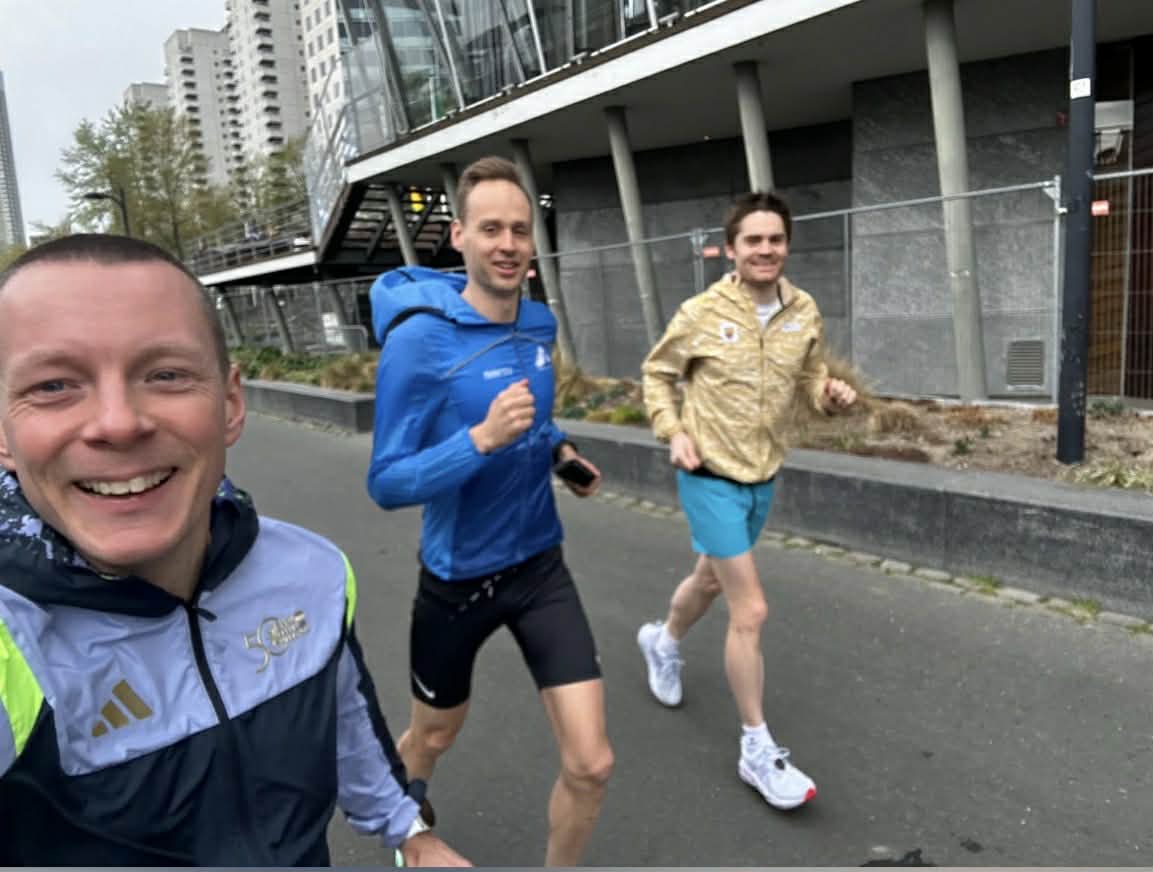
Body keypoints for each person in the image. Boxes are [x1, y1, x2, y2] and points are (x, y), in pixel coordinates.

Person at [0, 234, 468, 867]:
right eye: (55, 385)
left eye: (165, 374)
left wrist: (410, 833)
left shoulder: (315, 575)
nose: (117, 422)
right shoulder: (12, 642)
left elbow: (348, 723)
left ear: (230, 403)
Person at [366, 156, 613, 867]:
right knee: (433, 737)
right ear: (459, 237)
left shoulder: (538, 324)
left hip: (540, 568)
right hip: (456, 582)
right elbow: (386, 482)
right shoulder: (418, 341)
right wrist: (479, 440)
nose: (507, 244)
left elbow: (534, 425)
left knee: (591, 763)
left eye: (519, 230)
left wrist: (561, 456)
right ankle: (405, 806)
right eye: (491, 229)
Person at [637, 191, 857, 811]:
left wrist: (830, 396)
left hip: (763, 474)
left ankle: (663, 641)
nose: (766, 250)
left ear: (787, 245)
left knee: (709, 580)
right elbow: (657, 373)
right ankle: (757, 750)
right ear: (730, 249)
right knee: (751, 609)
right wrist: (673, 431)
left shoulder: (803, 311)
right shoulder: (702, 311)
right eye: (753, 241)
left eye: (775, 239)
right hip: (707, 471)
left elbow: (808, 383)